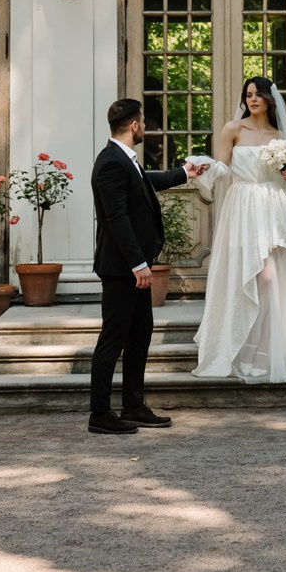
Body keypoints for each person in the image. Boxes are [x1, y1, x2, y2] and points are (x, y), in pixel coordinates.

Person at [89, 97, 204, 435]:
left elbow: (145, 182)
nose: (145, 128)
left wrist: (185, 173)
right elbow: (116, 217)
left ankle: (133, 405)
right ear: (135, 126)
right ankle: (99, 413)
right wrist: (139, 265)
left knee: (140, 334)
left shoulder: (125, 159)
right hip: (121, 268)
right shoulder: (110, 161)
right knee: (112, 339)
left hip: (135, 267)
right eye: (144, 122)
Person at [192, 76, 286, 383]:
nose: (252, 100)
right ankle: (243, 347)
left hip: (274, 209)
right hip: (243, 208)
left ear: (269, 100)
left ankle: (263, 351)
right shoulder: (233, 129)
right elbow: (223, 166)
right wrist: (206, 168)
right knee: (258, 276)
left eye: (258, 95)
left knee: (274, 282)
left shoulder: (278, 136)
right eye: (248, 95)